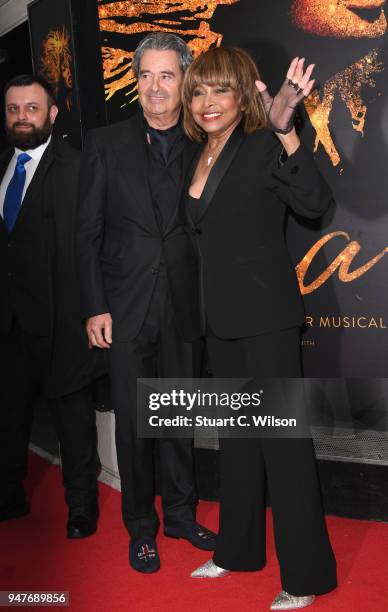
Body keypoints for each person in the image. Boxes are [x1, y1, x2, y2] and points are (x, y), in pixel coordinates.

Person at [181, 47, 337, 609]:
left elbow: (316, 202)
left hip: (266, 321)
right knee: (239, 443)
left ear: (244, 93)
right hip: (219, 322)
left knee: (283, 446)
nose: (207, 103)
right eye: (198, 91)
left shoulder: (261, 144)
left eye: (220, 90)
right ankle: (236, 551)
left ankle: (307, 576)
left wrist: (287, 129)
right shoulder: (197, 154)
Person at [76, 32, 216, 574]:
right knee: (136, 424)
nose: (155, 87)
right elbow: (85, 233)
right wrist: (94, 306)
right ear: (135, 82)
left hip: (183, 307)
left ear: (185, 80)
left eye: (167, 75)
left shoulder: (205, 143)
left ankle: (181, 514)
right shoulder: (105, 143)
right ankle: (141, 527)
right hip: (124, 308)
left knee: (179, 417)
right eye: (146, 76)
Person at [0, 74, 104, 538]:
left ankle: (81, 507)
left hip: (62, 319)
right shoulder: (1, 164)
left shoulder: (78, 168)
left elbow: (93, 246)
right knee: (8, 415)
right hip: (8, 324)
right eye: (14, 109)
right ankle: (9, 497)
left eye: (32, 108)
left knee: (72, 419)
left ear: (52, 115)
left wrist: (92, 311)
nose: (22, 117)